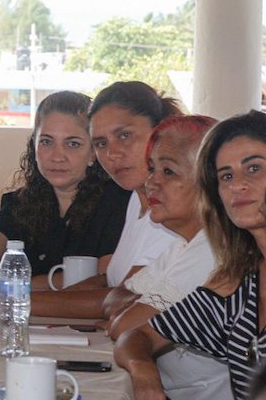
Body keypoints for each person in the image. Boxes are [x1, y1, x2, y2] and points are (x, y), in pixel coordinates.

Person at [115, 111, 266, 400]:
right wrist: (143, 369)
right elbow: (135, 335)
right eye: (226, 176)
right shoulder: (238, 283)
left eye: (254, 168)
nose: (238, 185)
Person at [101, 115, 237, 400]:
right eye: (152, 169)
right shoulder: (185, 244)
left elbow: (122, 325)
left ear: (210, 183)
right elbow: (114, 301)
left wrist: (132, 313)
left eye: (168, 171)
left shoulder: (214, 251)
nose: (151, 183)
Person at [31, 81, 183, 318]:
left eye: (124, 136)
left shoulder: (176, 207)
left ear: (160, 132)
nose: (112, 153)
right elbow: (109, 281)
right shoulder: (136, 199)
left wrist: (12, 300)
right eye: (101, 143)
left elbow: (125, 299)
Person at [0, 90, 128, 284]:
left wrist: (23, 287)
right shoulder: (20, 203)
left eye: (73, 144)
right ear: (34, 147)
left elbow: (103, 281)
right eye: (46, 142)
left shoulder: (117, 204)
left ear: (93, 153)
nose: (57, 156)